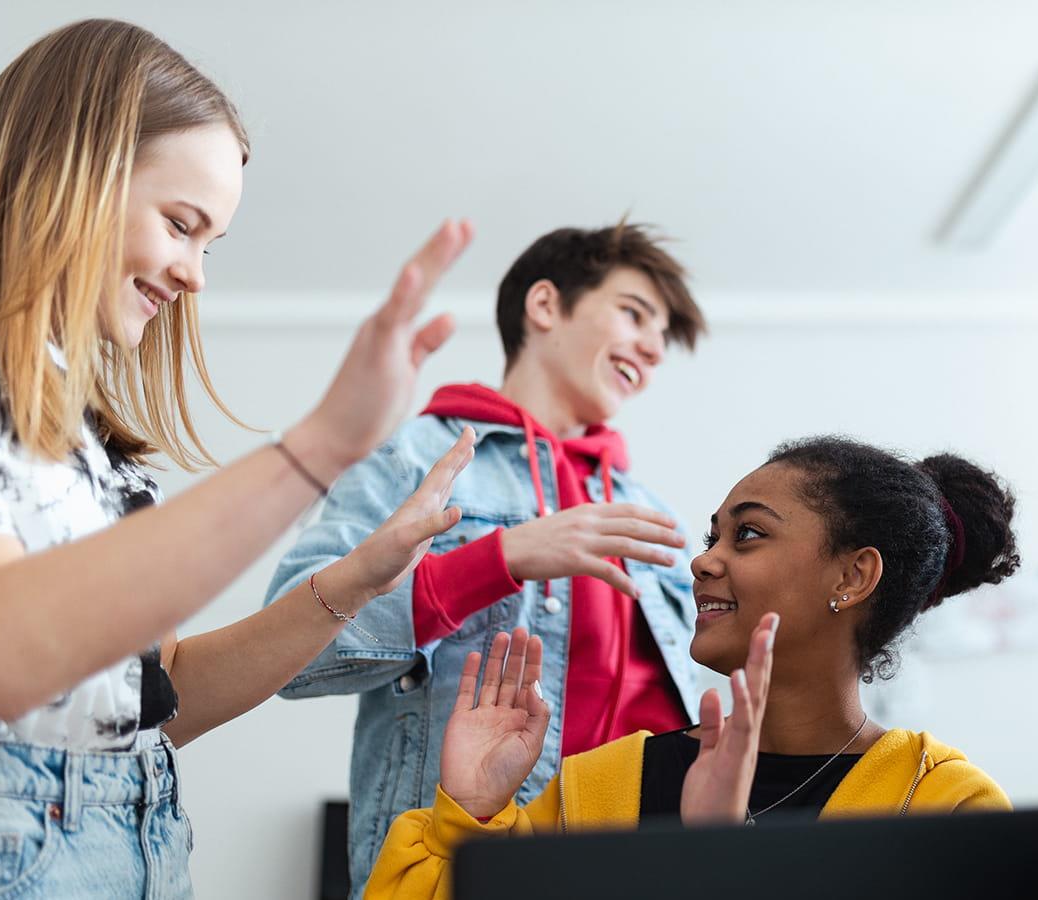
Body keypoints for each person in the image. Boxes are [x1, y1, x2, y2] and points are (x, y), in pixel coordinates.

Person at [0, 18, 478, 898]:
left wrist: (357, 581)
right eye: (180, 224)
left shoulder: (96, 451)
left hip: (146, 845)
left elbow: (161, 698)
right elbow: (5, 650)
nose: (194, 276)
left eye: (210, 244)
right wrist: (318, 448)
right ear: (73, 176)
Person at [362, 436, 1018, 899]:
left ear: (852, 574)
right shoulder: (599, 786)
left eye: (749, 535)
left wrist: (718, 862)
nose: (702, 562)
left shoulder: (945, 808)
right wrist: (467, 816)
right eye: (712, 539)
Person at [266, 223, 707, 891]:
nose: (652, 348)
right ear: (545, 306)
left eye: (661, 334)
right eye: (634, 314)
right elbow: (285, 651)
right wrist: (498, 557)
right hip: (467, 865)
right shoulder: (418, 459)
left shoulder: (648, 511)